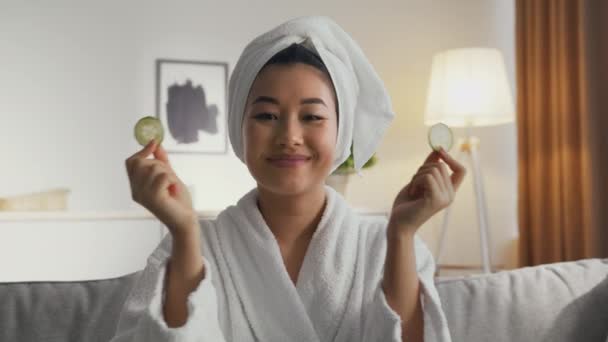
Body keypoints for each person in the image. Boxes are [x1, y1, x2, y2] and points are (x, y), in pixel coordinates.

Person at [111, 15, 465, 342]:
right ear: (239, 127)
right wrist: (186, 232)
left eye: (312, 116)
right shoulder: (192, 245)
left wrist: (401, 234)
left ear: (341, 133)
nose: (289, 135)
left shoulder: (386, 246)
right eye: (266, 115)